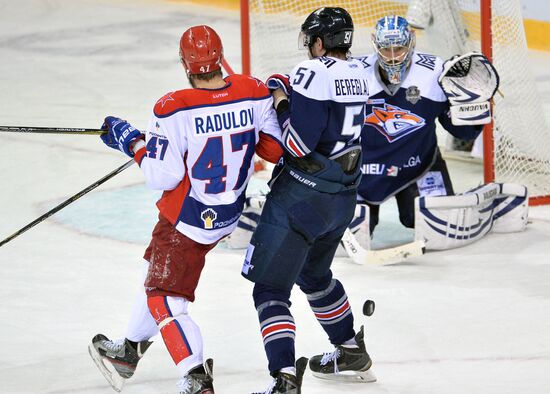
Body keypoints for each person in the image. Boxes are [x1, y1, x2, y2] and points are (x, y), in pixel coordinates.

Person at [88, 25, 283, 394]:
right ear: (220, 57)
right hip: (227, 212)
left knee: (163, 296)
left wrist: (130, 141)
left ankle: (195, 375)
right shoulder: (255, 91)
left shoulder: (173, 106)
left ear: (185, 64)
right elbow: (273, 149)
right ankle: (128, 351)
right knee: (155, 271)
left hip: (187, 219)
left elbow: (162, 175)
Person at [241, 7, 376, 393]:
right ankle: (350, 349)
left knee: (269, 289)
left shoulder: (313, 71)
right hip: (341, 198)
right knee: (314, 275)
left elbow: (297, 145)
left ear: (319, 41)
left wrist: (283, 101)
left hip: (302, 198)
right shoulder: (360, 72)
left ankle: (283, 379)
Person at [352, 15, 487, 237]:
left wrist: (474, 108)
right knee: (354, 231)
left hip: (419, 167)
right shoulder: (355, 73)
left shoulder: (434, 72)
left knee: (440, 228)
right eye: (386, 49)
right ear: (375, 43)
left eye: (399, 48)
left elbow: (461, 131)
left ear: (412, 42)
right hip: (366, 171)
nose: (393, 57)